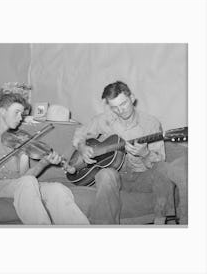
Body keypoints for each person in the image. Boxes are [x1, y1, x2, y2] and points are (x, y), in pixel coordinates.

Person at [0, 93, 89, 225]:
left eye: (22, 113)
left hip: (18, 185)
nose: (20, 117)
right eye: (17, 112)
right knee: (27, 183)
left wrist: (44, 163)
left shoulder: (21, 139)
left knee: (58, 189)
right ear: (2, 111)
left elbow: (25, 177)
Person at [72, 81, 176, 225]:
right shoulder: (104, 119)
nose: (121, 110)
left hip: (141, 176)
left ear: (132, 98)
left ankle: (160, 222)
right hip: (116, 175)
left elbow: (160, 160)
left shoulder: (151, 123)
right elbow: (80, 132)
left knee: (164, 169)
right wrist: (82, 147)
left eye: (124, 104)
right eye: (115, 107)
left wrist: (145, 153)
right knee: (104, 174)